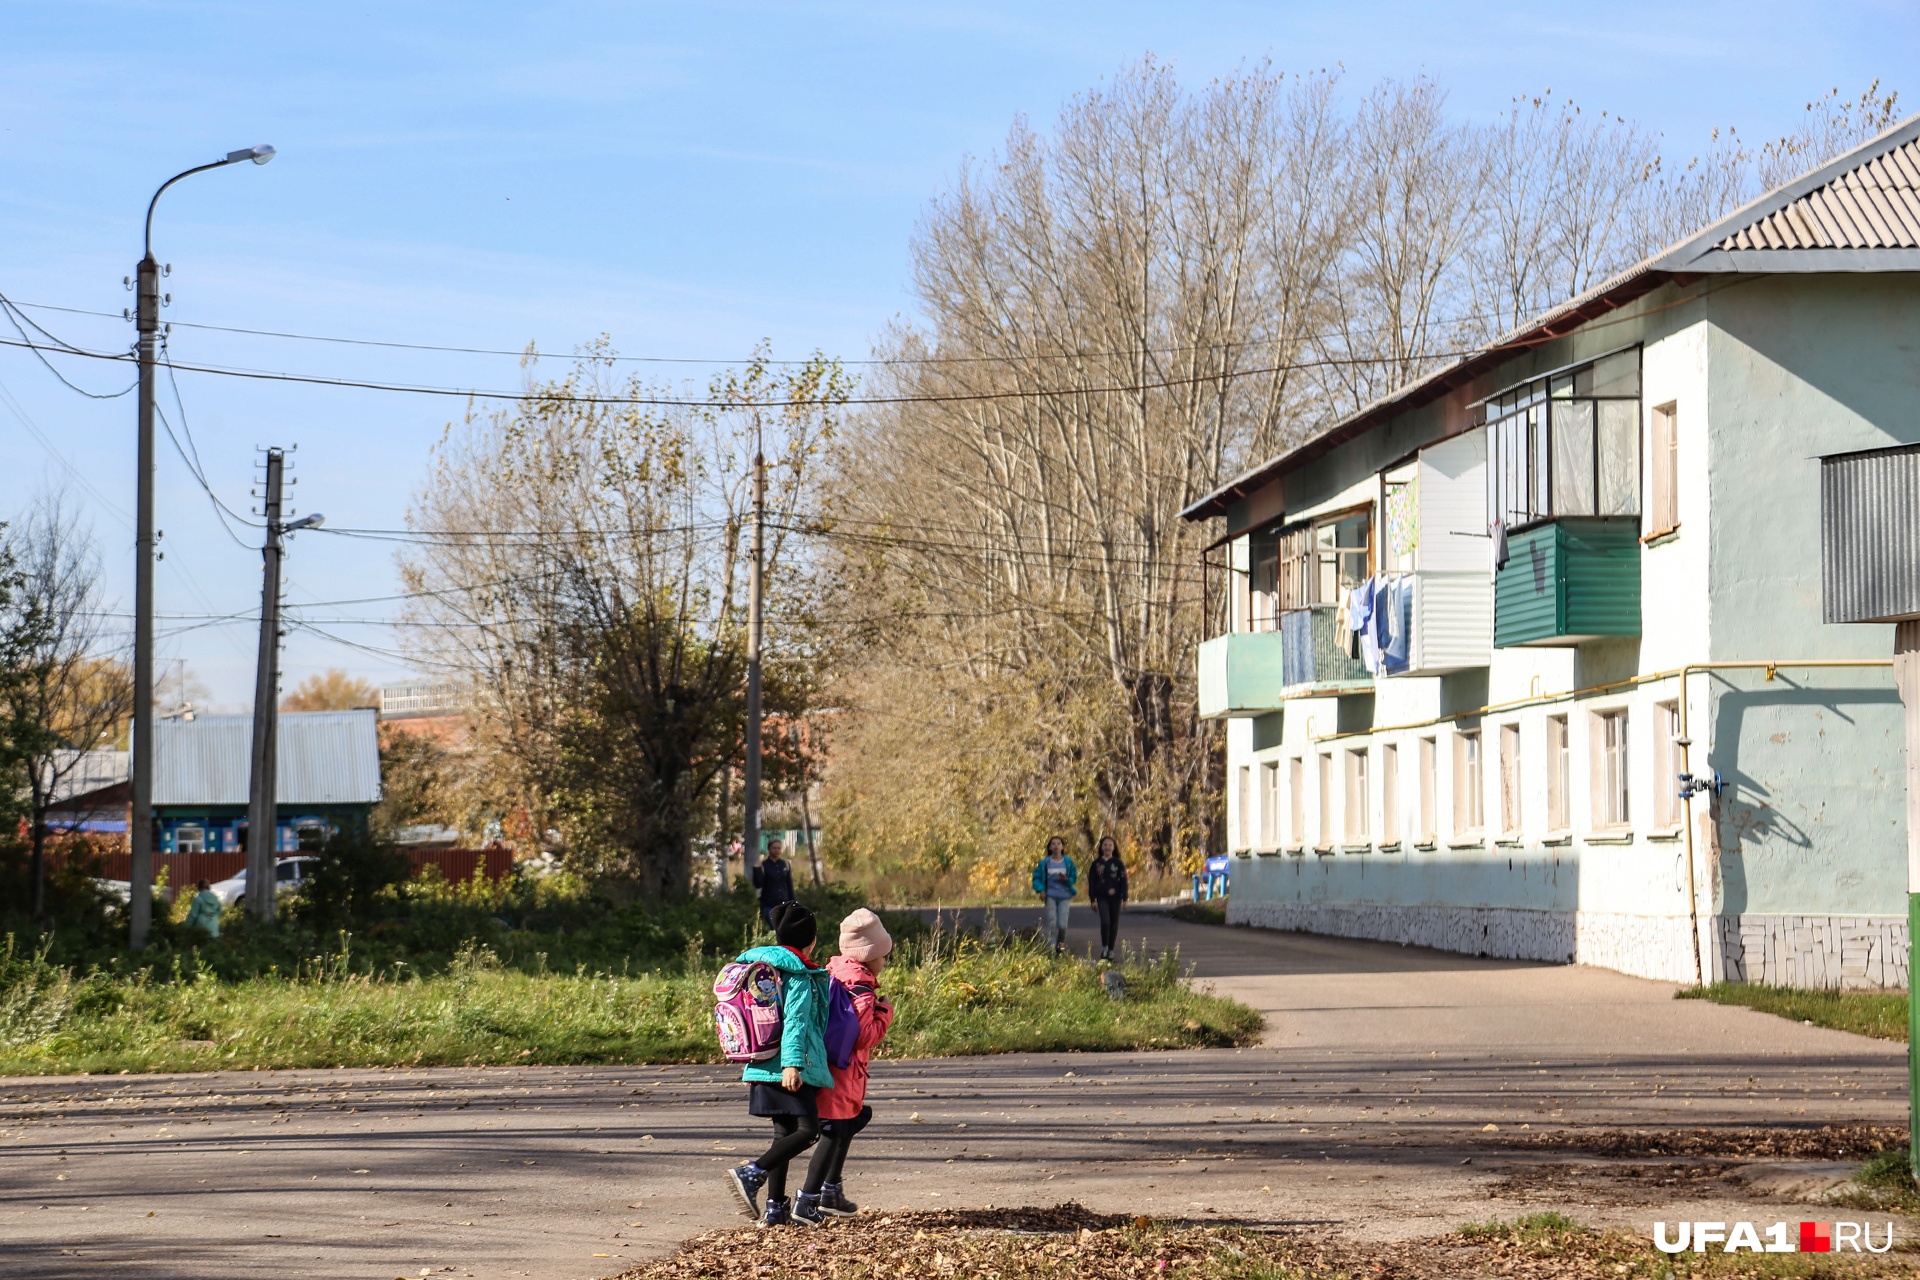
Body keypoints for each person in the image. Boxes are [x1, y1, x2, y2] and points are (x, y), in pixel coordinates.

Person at [727, 901, 832, 1228]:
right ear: (810, 941)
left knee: (783, 1132)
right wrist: (792, 1064)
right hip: (790, 1066)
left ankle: (775, 1210)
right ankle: (752, 1173)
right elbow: (797, 1022)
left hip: (759, 1060)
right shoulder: (798, 973)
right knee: (808, 1131)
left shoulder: (758, 966)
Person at [792, 908, 895, 1225]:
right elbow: (864, 1036)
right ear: (868, 956)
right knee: (834, 1132)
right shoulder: (861, 989)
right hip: (845, 1071)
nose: (886, 962)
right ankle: (808, 1201)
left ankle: (831, 1189)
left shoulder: (834, 972)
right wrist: (885, 1012)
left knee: (850, 1122)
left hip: (827, 1066)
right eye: (883, 956)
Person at [1030, 835, 1077, 955]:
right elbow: (1036, 878)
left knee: (1062, 925)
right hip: (1050, 895)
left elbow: (1073, 877)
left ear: (1063, 847)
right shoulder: (1045, 862)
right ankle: (1051, 948)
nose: (1056, 846)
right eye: (1053, 844)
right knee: (1052, 922)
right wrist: (1041, 890)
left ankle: (1060, 947)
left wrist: (1067, 880)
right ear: (1050, 847)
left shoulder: (1068, 862)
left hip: (1064, 896)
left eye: (1058, 843)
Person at [1087, 835, 1129, 961]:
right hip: (1102, 897)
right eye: (1105, 845)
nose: (1107, 847)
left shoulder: (1118, 863)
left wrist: (1125, 898)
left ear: (1114, 847)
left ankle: (1111, 949)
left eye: (1110, 845)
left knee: (1114, 923)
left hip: (1116, 898)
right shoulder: (1096, 864)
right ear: (1101, 847)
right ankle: (1104, 947)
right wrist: (1092, 899)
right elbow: (1092, 882)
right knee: (1105, 922)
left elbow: (1123, 881)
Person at [752, 839, 796, 928]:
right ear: (769, 849)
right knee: (776, 927)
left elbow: (789, 884)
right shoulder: (764, 865)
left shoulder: (785, 864)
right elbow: (758, 884)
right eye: (774, 848)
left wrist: (794, 902)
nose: (777, 850)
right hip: (769, 905)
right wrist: (757, 870)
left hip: (784, 904)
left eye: (779, 848)